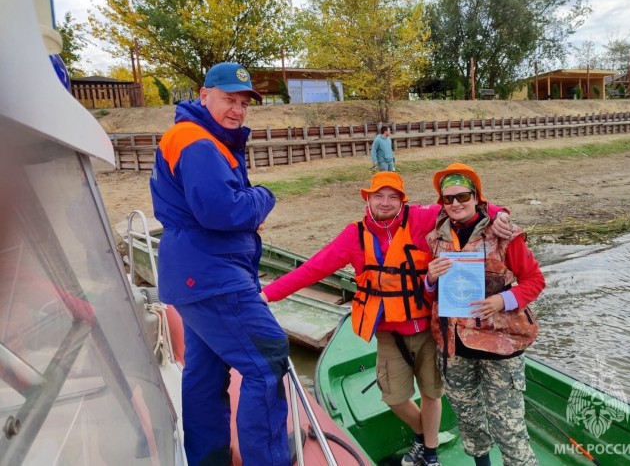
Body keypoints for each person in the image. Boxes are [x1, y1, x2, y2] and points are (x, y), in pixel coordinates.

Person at [262, 172, 513, 466]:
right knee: (393, 397)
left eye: (393, 196)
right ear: (367, 198)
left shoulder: (422, 218)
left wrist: (500, 215)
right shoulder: (353, 235)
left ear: (402, 200)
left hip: (428, 329)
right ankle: (422, 435)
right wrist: (268, 294)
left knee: (432, 394)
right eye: (378, 196)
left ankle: (430, 454)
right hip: (388, 333)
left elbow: (465, 209)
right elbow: (313, 269)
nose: (385, 202)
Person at [150, 62, 290, 466]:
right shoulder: (196, 141)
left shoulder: (201, 139)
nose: (238, 110)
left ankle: (208, 458)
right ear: (203, 93)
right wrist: (262, 197)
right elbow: (220, 210)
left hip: (193, 275)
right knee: (267, 358)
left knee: (206, 372)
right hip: (210, 275)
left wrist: (243, 210)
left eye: (244, 103)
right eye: (229, 99)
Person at [424, 163, 545, 466]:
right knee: (469, 421)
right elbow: (429, 292)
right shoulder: (435, 238)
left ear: (477, 197)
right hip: (454, 347)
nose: (455, 204)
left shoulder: (504, 235)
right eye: (448, 199)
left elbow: (535, 280)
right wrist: (430, 279)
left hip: (500, 346)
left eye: (462, 196)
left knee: (509, 429)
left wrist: (502, 300)